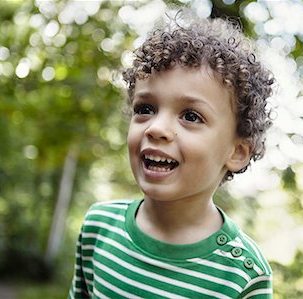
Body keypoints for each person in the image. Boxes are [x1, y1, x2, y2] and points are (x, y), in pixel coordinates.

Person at [68, 10, 275, 299]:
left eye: (190, 116)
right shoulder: (98, 227)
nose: (156, 127)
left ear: (237, 152)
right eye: (145, 109)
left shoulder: (243, 274)